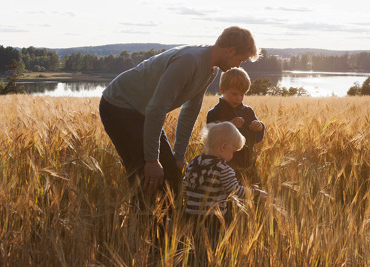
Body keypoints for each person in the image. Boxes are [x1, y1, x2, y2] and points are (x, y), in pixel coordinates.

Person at [98, 26, 258, 199]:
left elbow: (190, 110)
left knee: (172, 174)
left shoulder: (211, 70)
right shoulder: (189, 61)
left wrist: (179, 156)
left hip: (143, 112)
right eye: (240, 60)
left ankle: (164, 223)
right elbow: (157, 108)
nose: (238, 66)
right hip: (120, 106)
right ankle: (143, 223)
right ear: (230, 50)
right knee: (147, 176)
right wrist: (151, 160)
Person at [182, 121, 267, 263]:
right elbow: (234, 190)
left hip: (190, 217)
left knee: (193, 252)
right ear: (223, 147)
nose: (233, 155)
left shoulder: (193, 163)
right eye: (233, 151)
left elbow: (185, 186)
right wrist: (256, 194)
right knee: (213, 252)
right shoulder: (223, 169)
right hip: (213, 221)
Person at [206, 67, 265, 185]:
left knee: (253, 194)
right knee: (229, 195)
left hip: (248, 164)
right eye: (234, 94)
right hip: (224, 167)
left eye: (242, 94)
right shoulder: (214, 113)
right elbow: (211, 141)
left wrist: (260, 127)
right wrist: (229, 126)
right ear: (222, 89)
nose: (239, 98)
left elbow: (255, 139)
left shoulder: (248, 111)